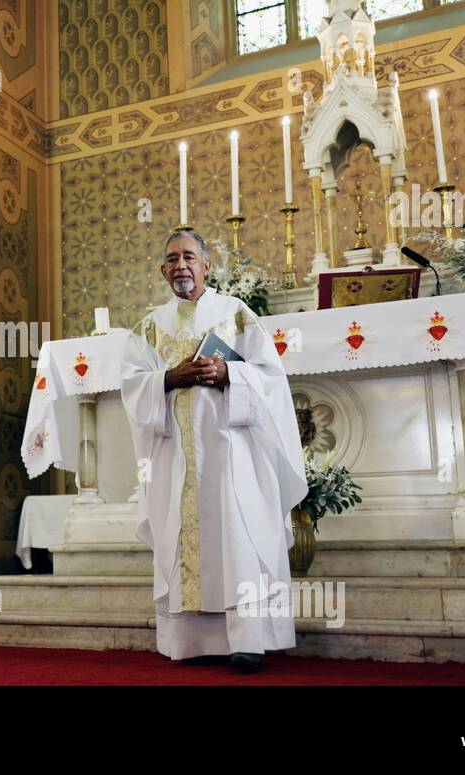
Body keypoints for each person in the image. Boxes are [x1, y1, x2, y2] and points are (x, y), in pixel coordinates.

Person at [121, 228, 306, 673]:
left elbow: (271, 378)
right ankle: (190, 641)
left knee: (236, 535)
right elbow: (131, 385)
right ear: (163, 270)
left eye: (189, 257)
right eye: (172, 259)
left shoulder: (236, 314)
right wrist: (168, 378)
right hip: (176, 457)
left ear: (207, 265)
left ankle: (248, 640)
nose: (181, 265)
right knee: (184, 539)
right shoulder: (149, 326)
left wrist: (228, 373)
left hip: (231, 452)